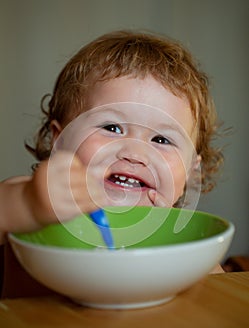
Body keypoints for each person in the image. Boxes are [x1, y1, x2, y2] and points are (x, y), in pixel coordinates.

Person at [0, 30, 224, 297]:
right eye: (112, 127)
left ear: (189, 170)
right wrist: (29, 204)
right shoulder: (28, 198)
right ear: (61, 139)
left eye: (162, 140)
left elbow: (221, 300)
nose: (135, 153)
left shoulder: (185, 238)